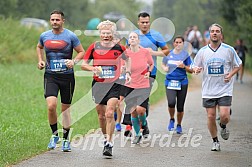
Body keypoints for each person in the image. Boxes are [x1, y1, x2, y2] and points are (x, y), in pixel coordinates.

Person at [36, 10, 85, 152]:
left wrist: (73, 61)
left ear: (63, 20)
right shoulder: (44, 36)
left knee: (65, 111)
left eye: (57, 20)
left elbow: (81, 51)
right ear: (50, 21)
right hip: (50, 76)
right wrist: (40, 61)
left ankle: (65, 139)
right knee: (51, 106)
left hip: (67, 77)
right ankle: (54, 135)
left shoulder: (70, 36)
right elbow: (39, 47)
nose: (54, 22)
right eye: (52, 20)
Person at [81, 20, 131, 158]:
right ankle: (105, 137)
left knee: (109, 113)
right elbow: (83, 65)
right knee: (101, 116)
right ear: (100, 34)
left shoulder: (119, 48)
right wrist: (93, 68)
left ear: (112, 34)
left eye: (108, 33)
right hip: (98, 85)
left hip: (114, 85)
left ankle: (109, 142)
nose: (105, 35)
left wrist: (126, 71)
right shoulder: (94, 47)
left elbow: (127, 59)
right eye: (103, 33)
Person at [193, 23, 242, 151]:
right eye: (212, 31)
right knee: (210, 116)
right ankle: (215, 141)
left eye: (217, 31)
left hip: (224, 88)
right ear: (209, 34)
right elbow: (194, 65)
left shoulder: (229, 50)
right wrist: (196, 69)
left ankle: (223, 125)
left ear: (221, 34)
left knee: (225, 116)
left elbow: (238, 65)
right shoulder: (202, 51)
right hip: (208, 90)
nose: (215, 33)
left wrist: (231, 74)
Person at [122, 12, 169, 138]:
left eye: (147, 22)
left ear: (150, 22)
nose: (144, 24)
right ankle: (131, 125)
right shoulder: (133, 36)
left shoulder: (156, 35)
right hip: (132, 74)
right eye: (142, 22)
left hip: (148, 74)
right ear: (138, 22)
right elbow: (126, 53)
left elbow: (166, 51)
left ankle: (143, 123)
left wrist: (153, 53)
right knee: (131, 101)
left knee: (142, 102)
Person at [123, 32, 154, 144]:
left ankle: (144, 125)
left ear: (138, 40)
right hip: (129, 85)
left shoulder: (145, 52)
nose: (132, 39)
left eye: (134, 37)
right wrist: (123, 70)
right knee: (133, 111)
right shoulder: (125, 53)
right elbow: (122, 67)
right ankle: (137, 134)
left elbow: (151, 64)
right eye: (130, 37)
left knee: (141, 110)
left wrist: (149, 72)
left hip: (143, 84)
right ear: (128, 41)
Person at [161, 36, 193, 134]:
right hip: (170, 81)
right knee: (171, 103)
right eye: (176, 42)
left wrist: (184, 67)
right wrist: (164, 68)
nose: (178, 44)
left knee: (180, 106)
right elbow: (163, 63)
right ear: (174, 43)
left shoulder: (186, 55)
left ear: (183, 44)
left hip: (182, 82)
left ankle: (179, 124)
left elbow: (191, 70)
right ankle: (171, 119)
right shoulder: (169, 53)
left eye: (180, 42)